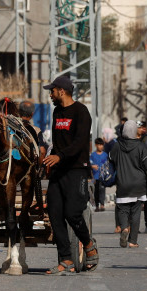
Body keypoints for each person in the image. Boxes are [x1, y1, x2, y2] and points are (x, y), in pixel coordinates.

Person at [40, 75, 97, 275]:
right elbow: (57, 142)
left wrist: (60, 156)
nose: (50, 94)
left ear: (62, 91)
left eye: (52, 90)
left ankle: (89, 244)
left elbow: (80, 142)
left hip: (77, 169)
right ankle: (66, 259)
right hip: (58, 170)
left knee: (72, 213)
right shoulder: (57, 112)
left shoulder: (81, 112)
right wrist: (51, 158)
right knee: (54, 214)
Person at [110, 120, 147, 248]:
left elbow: (111, 161)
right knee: (136, 212)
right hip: (139, 184)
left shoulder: (117, 146)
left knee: (122, 209)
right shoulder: (140, 147)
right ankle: (133, 241)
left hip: (122, 183)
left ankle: (124, 228)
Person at [90, 138, 110, 212]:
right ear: (96, 145)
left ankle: (102, 204)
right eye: (99, 145)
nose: (101, 146)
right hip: (95, 177)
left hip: (103, 176)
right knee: (96, 191)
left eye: (102, 145)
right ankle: (97, 205)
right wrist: (92, 166)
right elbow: (89, 164)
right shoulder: (93, 155)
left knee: (102, 190)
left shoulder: (105, 155)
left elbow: (108, 164)